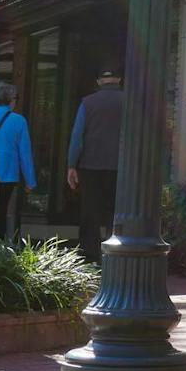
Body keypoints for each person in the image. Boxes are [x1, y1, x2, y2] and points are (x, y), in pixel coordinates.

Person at [67, 67, 124, 264]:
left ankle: (90, 254)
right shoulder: (129, 102)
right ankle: (114, 252)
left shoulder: (87, 102)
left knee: (90, 211)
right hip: (120, 166)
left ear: (99, 82)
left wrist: (71, 164)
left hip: (91, 164)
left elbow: (77, 135)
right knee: (115, 211)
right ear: (119, 79)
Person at [0, 82, 36, 244]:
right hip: (7, 174)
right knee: (1, 211)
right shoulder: (19, 121)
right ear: (10, 100)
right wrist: (30, 181)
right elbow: (25, 153)